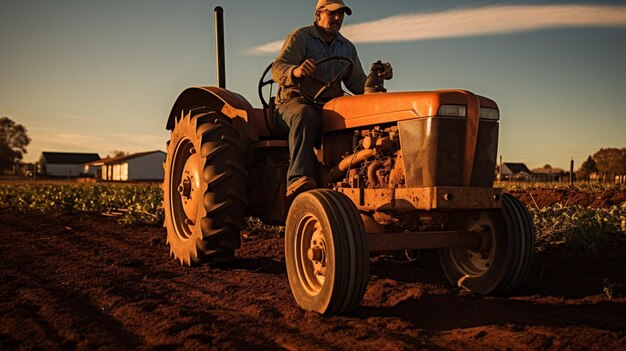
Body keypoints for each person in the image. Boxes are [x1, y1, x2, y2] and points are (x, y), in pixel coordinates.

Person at [272, 0, 393, 197]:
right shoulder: (301, 37)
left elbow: (357, 84)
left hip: (329, 106)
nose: (338, 18)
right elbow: (278, 68)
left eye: (341, 14)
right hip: (295, 102)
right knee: (305, 114)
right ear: (318, 14)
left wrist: (376, 78)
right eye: (333, 13)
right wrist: (296, 70)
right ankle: (298, 178)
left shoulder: (346, 47)